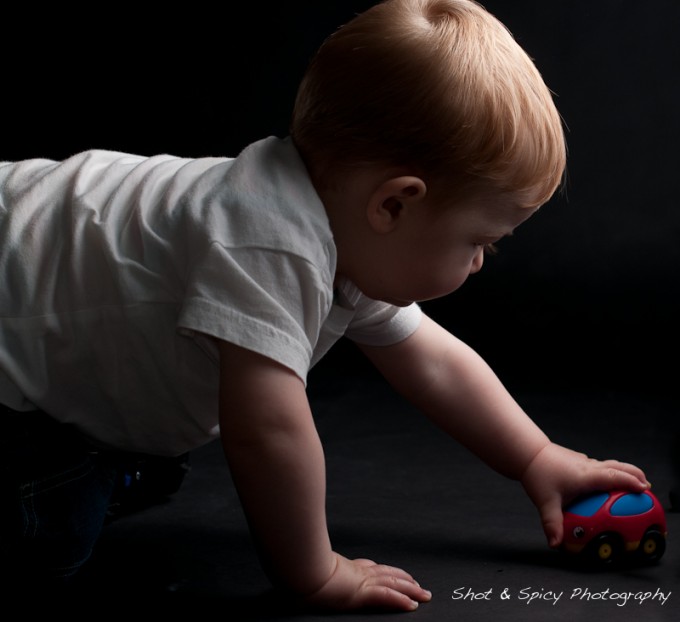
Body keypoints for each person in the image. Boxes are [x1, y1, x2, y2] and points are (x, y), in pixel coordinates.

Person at [0, 0, 650, 612]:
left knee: (148, 462)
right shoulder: (266, 244)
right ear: (394, 203)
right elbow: (269, 431)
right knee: (58, 527)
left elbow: (434, 362)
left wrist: (535, 457)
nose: (481, 262)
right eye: (480, 241)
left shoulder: (338, 225)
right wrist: (314, 571)